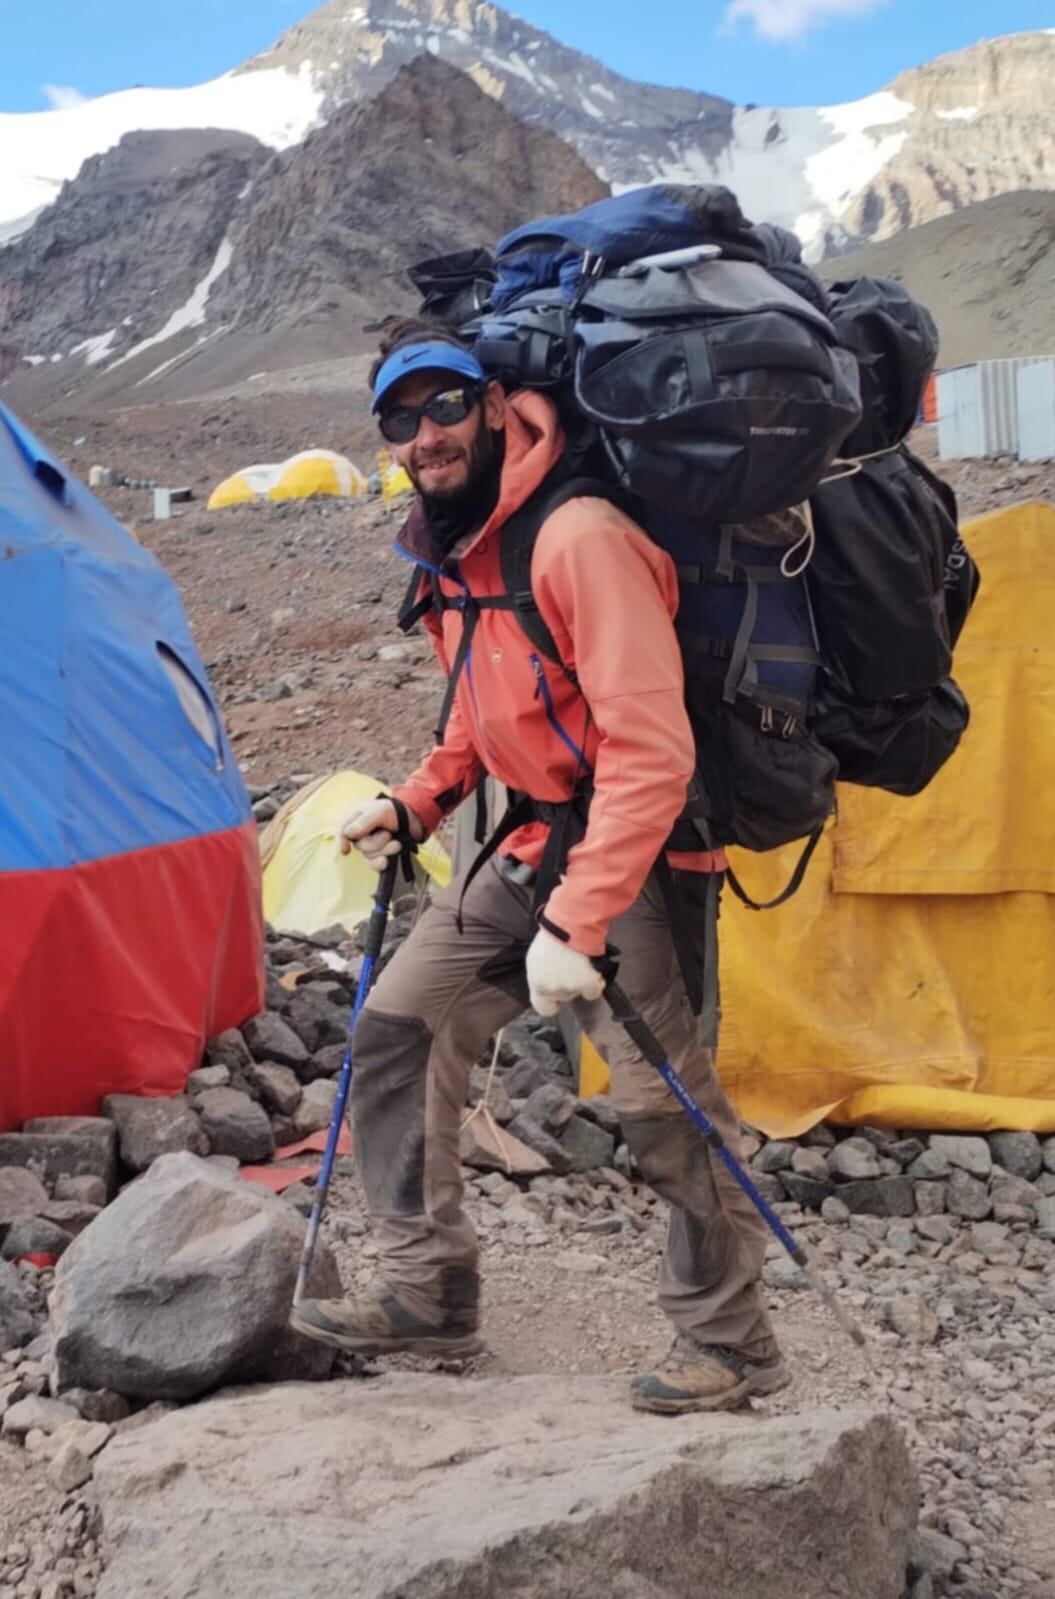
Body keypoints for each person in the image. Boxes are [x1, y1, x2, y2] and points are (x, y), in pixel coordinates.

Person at [290, 319, 788, 1413]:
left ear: (495, 402)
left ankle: (731, 1341)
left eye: (444, 405)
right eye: (399, 418)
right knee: (396, 1030)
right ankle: (428, 1291)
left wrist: (582, 919)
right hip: (525, 843)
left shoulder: (577, 536)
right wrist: (416, 799)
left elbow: (651, 751)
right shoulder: (457, 546)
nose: (425, 434)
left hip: (634, 852)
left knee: (662, 1106)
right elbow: (484, 708)